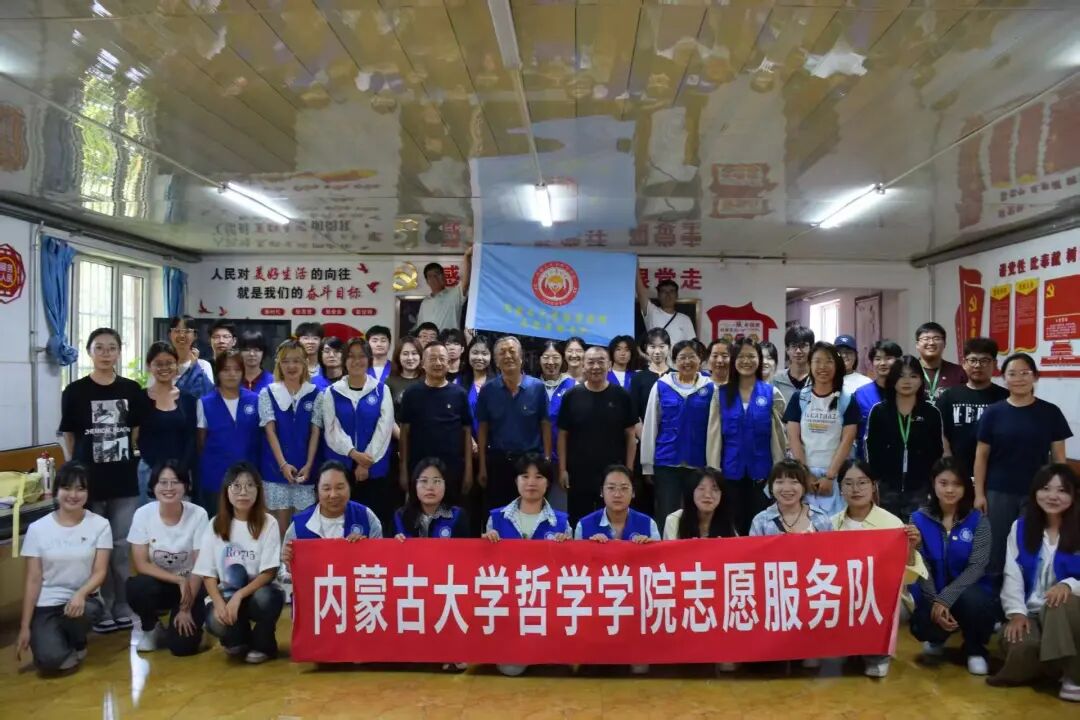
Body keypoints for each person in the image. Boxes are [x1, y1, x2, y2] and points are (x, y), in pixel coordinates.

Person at [59, 327, 147, 634]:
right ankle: (101, 606)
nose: (106, 353)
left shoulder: (132, 389)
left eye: (112, 348)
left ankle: (121, 603)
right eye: (99, 347)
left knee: (121, 547)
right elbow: (70, 435)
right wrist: (76, 470)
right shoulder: (74, 391)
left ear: (119, 352)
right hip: (89, 484)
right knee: (96, 548)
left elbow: (135, 430)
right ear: (89, 352)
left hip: (123, 480)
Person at [975, 352, 1072, 583]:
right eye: (1012, 373)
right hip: (998, 491)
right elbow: (981, 456)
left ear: (1035, 377)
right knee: (997, 545)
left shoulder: (1050, 412)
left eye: (1025, 373)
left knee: (1030, 544)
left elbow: (1059, 458)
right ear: (1004, 378)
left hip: (1038, 492)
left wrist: (1063, 492)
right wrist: (979, 493)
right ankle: (994, 597)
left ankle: (1028, 594)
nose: (1019, 378)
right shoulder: (993, 413)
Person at [988, 463, 1080, 701]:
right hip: (1032, 613)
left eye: (1062, 490)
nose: (1052, 496)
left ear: (1074, 494)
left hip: (1071, 611)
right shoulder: (1021, 527)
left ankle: (1073, 678)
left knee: (1056, 604)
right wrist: (1017, 613)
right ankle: (1056, 666)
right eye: (1046, 488)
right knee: (1022, 647)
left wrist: (1069, 585)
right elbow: (1012, 574)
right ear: (1035, 492)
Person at [830, 459, 927, 678]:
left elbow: (908, 577)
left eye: (862, 482)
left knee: (878, 604)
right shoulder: (831, 524)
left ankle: (877, 655)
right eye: (848, 483)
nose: (855, 489)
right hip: (843, 596)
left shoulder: (893, 524)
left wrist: (911, 548)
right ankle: (851, 647)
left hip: (885, 598)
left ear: (873, 486)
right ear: (840, 488)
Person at [17, 462, 111, 674]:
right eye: (66, 488)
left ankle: (77, 641)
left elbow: (100, 572)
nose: (73, 495)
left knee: (85, 612)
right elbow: (33, 579)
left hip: (84, 600)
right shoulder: (37, 529)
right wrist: (24, 626)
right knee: (49, 662)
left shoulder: (100, 525)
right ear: (56, 491)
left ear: (88, 493)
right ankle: (58, 641)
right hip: (47, 604)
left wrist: (81, 594)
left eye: (80, 489)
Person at [482, 453, 569, 678]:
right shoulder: (496, 519)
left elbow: (572, 572)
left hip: (547, 606)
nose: (531, 482)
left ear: (548, 483)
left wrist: (568, 547)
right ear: (516, 481)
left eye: (539, 477)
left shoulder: (561, 522)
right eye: (525, 476)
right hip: (509, 605)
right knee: (511, 669)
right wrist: (485, 545)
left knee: (557, 665)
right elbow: (484, 568)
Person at [909, 457, 995, 676]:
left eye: (956, 484)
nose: (950, 490)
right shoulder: (917, 519)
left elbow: (977, 567)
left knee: (976, 602)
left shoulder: (978, 520)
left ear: (966, 487)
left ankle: (975, 649)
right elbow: (920, 564)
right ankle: (937, 638)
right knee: (922, 621)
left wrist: (945, 599)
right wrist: (935, 600)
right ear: (933, 484)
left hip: (969, 592)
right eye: (943, 483)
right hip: (933, 592)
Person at [193, 462, 283, 664]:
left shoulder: (269, 522)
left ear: (258, 490)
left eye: (250, 485)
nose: (243, 492)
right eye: (236, 486)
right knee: (216, 621)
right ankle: (237, 639)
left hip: (257, 592)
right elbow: (207, 573)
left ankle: (264, 643)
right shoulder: (216, 524)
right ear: (227, 490)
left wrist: (239, 596)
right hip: (227, 594)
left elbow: (269, 572)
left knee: (266, 599)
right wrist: (218, 603)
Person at [125, 461, 209, 655]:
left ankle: (199, 626)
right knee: (137, 587)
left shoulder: (198, 514)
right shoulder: (143, 514)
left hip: (193, 585)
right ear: (153, 486)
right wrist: (178, 580)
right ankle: (151, 628)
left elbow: (200, 565)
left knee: (182, 648)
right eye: (163, 482)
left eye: (175, 482)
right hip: (163, 583)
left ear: (185, 486)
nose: (169, 488)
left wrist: (186, 609)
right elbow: (141, 564)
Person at [707, 338, 786, 535]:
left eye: (751, 356)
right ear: (733, 360)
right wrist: (714, 472)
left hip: (762, 475)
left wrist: (778, 472)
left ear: (759, 360)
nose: (746, 361)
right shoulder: (721, 394)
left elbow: (779, 437)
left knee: (761, 528)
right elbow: (714, 437)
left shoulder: (771, 393)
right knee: (732, 528)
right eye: (741, 357)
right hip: (730, 474)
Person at [316, 337, 395, 527]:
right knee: (341, 521)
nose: (356, 361)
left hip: (374, 469)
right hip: (341, 468)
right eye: (351, 356)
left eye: (362, 356)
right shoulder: (332, 392)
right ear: (344, 360)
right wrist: (353, 454)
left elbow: (384, 429)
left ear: (369, 359)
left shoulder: (381, 390)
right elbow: (332, 430)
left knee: (373, 521)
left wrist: (365, 462)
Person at [557, 346, 637, 525]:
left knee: (612, 520)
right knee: (578, 521)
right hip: (579, 472)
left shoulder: (622, 395)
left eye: (601, 362)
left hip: (613, 474)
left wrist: (629, 471)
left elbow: (631, 435)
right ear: (583, 365)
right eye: (591, 362)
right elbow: (562, 435)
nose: (596, 367)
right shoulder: (572, 395)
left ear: (609, 365)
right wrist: (562, 469)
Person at [641, 340, 716, 524]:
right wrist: (647, 464)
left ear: (700, 359)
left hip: (698, 464)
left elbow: (714, 430)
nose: (687, 362)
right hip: (666, 462)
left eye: (692, 357)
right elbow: (651, 425)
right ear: (674, 361)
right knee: (666, 515)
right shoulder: (662, 385)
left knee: (696, 515)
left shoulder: (710, 387)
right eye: (682, 357)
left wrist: (713, 465)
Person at [783, 342, 859, 516]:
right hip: (803, 474)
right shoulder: (800, 398)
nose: (822, 366)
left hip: (835, 475)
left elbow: (847, 440)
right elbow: (793, 438)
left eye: (828, 361)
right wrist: (805, 474)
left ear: (837, 365)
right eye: (817, 361)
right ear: (810, 364)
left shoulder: (847, 400)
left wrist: (830, 476)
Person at [477, 335, 551, 511]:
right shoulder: (488, 390)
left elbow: (545, 425)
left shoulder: (537, 387)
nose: (508, 356)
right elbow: (483, 429)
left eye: (512, 351)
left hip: (530, 464)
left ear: (521, 357)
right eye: (502, 353)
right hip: (498, 463)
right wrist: (482, 466)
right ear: (496, 361)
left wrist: (547, 460)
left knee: (530, 511)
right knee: (498, 512)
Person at [865, 355, 944, 519]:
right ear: (893, 379)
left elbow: (937, 452)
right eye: (901, 376)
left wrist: (932, 485)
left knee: (918, 532)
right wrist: (873, 483)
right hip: (886, 488)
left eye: (913, 376)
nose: (907, 381)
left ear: (921, 380)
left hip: (921, 489)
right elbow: (871, 451)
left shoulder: (931, 413)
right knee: (888, 531)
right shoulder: (879, 411)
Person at [258, 339, 320, 535]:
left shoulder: (315, 393)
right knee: (278, 530)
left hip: (305, 471)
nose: (291, 366)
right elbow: (270, 431)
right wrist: (283, 465)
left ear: (305, 363)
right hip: (275, 471)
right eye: (285, 361)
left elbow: (315, 432)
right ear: (278, 364)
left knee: (303, 529)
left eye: (296, 361)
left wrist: (309, 464)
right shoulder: (268, 393)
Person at [399, 341, 472, 501]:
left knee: (450, 512)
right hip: (419, 468)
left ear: (448, 362)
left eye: (442, 358)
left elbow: (467, 432)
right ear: (423, 364)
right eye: (432, 359)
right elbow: (404, 432)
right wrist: (403, 469)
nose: (438, 363)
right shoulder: (411, 393)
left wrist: (468, 470)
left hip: (452, 468)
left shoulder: (459, 394)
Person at [196, 349, 261, 513]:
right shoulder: (205, 403)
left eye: (237, 369)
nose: (232, 374)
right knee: (217, 523)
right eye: (226, 369)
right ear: (218, 372)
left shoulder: (255, 400)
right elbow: (201, 442)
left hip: (249, 476)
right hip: (215, 477)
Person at [282, 461, 381, 564]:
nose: (333, 495)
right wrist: (288, 564)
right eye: (326, 489)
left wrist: (366, 549)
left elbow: (381, 561)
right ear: (317, 491)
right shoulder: (299, 525)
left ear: (350, 488)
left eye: (339, 487)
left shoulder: (366, 516)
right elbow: (285, 569)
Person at [937, 337, 1008, 477]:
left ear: (994, 364)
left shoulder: (1005, 397)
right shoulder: (949, 396)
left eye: (984, 360)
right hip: (957, 471)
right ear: (964, 363)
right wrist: (947, 457)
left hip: (995, 470)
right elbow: (939, 430)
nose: (977, 365)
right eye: (973, 360)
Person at [138, 342, 197, 505]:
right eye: (158, 363)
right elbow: (136, 436)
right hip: (149, 470)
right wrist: (158, 469)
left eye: (169, 363)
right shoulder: (140, 398)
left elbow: (192, 438)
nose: (164, 368)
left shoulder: (189, 399)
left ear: (177, 365)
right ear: (149, 366)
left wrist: (181, 468)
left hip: (181, 472)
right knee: (149, 517)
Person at [749, 459, 834, 536]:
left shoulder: (820, 517)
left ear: (804, 488)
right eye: (780, 482)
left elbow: (831, 547)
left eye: (794, 482)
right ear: (771, 487)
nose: (787, 488)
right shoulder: (761, 521)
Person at [393, 457, 470, 539]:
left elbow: (466, 546)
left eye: (436, 481)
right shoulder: (401, 516)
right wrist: (395, 543)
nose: (430, 487)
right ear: (415, 485)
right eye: (424, 481)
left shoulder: (457, 516)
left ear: (445, 485)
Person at [852, 340, 902, 459]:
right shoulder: (860, 394)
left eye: (888, 358)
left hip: (901, 459)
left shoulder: (906, 392)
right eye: (878, 359)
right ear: (872, 363)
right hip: (867, 460)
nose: (883, 363)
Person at [663, 467, 738, 540]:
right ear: (692, 492)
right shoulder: (674, 521)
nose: (707, 495)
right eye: (701, 488)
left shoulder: (726, 521)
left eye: (715, 489)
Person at [416, 249, 473, 331]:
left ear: (444, 276)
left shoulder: (454, 294)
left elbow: (466, 282)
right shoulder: (425, 302)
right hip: (430, 339)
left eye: (437, 274)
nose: (435, 278)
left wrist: (467, 256)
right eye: (431, 276)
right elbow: (420, 328)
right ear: (427, 281)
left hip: (449, 339)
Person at [915, 321, 967, 405]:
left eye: (936, 338)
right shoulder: (909, 371)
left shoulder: (958, 372)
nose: (931, 343)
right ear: (917, 344)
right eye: (926, 339)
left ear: (945, 343)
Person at [169, 315, 214, 399]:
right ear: (170, 334)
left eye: (187, 331)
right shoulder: (164, 366)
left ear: (195, 335)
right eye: (177, 331)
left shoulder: (203, 365)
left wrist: (194, 367)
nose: (181, 335)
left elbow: (209, 396)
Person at [772, 325, 814, 406]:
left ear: (811, 348)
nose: (798, 351)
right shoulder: (776, 380)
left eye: (803, 346)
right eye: (793, 346)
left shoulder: (818, 380)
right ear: (787, 349)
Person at [386, 335, 424, 416]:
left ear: (420, 356)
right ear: (398, 356)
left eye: (414, 353)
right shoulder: (390, 382)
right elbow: (386, 412)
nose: (410, 358)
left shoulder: (428, 380)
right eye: (405, 354)